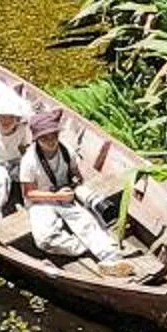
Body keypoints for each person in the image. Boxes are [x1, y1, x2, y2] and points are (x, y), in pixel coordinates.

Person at [18, 107, 125, 266]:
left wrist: (75, 186)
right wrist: (56, 196)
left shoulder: (66, 150)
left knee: (87, 223)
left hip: (65, 194)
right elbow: (29, 193)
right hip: (41, 200)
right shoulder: (29, 161)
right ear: (37, 139)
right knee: (45, 239)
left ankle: (111, 257)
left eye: (53, 135)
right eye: (44, 138)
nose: (50, 141)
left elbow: (76, 173)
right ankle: (82, 247)